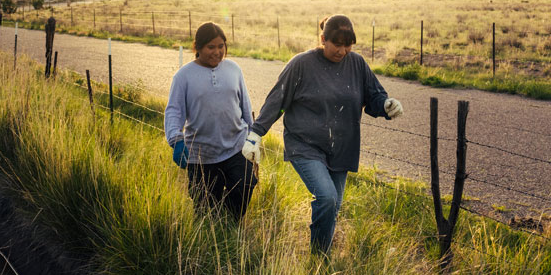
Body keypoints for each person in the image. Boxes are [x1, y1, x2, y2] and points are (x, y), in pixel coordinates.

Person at [243, 14, 403, 254]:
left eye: (348, 44)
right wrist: (255, 134)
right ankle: (319, 257)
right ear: (323, 39)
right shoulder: (302, 64)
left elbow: (374, 97)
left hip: (342, 147)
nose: (342, 50)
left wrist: (386, 106)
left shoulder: (357, 64)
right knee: (327, 198)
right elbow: (278, 100)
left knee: (333, 206)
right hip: (305, 144)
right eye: (336, 44)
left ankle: (320, 256)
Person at [164, 22, 257, 221]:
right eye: (211, 47)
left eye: (221, 46)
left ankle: (230, 226)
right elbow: (174, 111)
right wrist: (176, 140)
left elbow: (245, 104)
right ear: (197, 47)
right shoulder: (183, 76)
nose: (217, 52)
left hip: (235, 147)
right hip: (201, 154)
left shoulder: (233, 69)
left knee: (246, 184)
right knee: (204, 206)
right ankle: (214, 230)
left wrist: (253, 135)